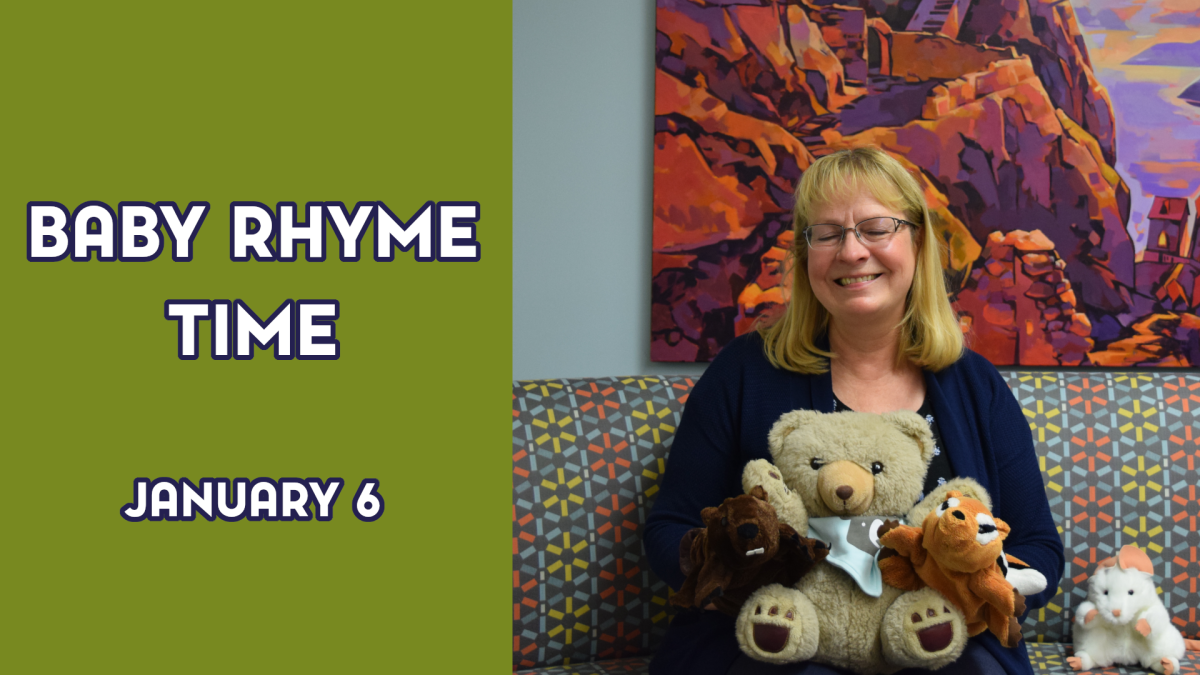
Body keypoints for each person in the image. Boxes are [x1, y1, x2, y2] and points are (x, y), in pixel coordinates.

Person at [643, 147, 1064, 675]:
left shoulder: (975, 386)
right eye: (827, 233)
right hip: (781, 644)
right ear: (806, 254)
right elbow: (669, 530)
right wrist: (742, 562)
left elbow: (1038, 547)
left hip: (937, 642)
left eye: (876, 228)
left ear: (917, 242)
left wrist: (970, 577)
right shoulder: (743, 374)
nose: (851, 251)